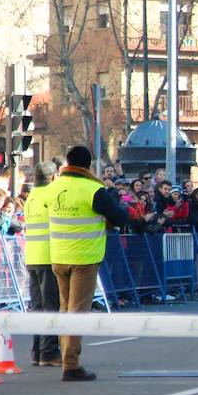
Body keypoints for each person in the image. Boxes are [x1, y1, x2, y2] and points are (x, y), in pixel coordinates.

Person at [48, 146, 128, 381]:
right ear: (88, 165)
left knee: (64, 310)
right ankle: (70, 366)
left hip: (58, 256)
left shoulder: (53, 188)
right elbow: (120, 216)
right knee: (78, 312)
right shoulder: (93, 189)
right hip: (84, 258)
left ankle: (66, 358)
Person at [25, 161, 61, 367]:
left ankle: (37, 352)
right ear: (53, 176)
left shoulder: (32, 195)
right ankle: (48, 352)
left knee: (38, 307)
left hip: (32, 256)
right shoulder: (51, 194)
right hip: (48, 257)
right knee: (51, 306)